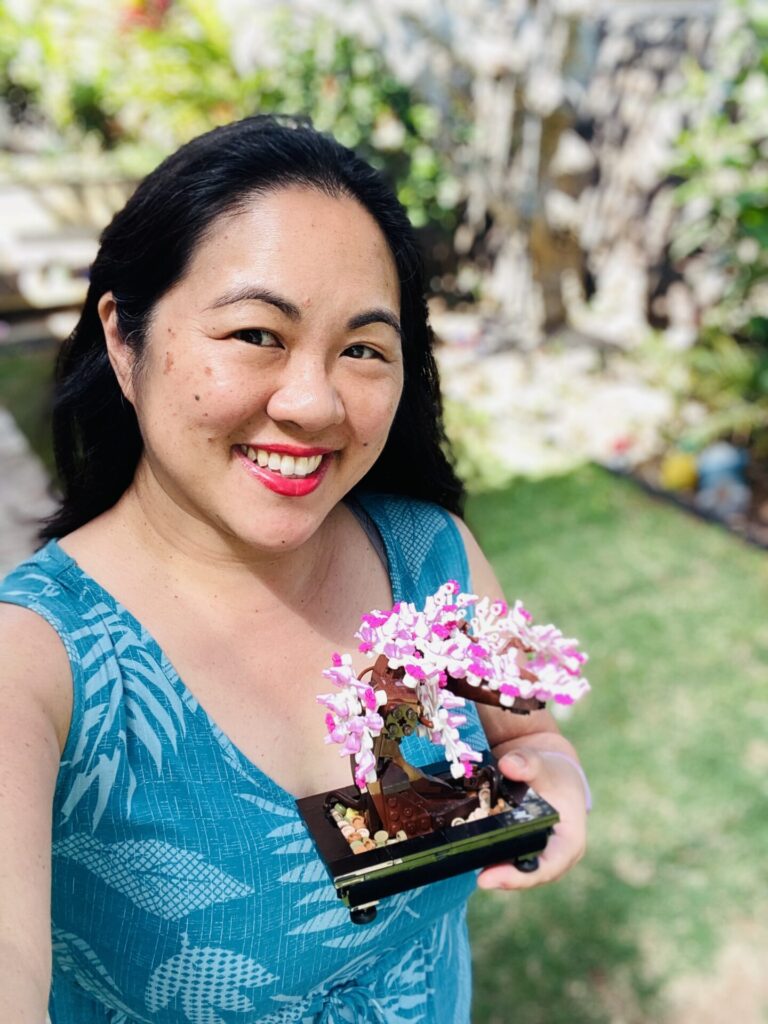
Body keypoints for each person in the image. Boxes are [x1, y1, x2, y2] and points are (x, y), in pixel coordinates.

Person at [0, 115, 589, 1024]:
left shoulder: (431, 560)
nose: (313, 403)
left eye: (362, 349)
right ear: (125, 338)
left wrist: (554, 772)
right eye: (254, 333)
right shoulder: (33, 659)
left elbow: (527, 737)